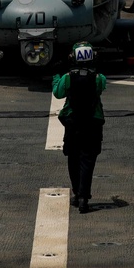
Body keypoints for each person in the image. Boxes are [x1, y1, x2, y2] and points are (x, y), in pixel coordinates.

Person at [52, 42, 107, 213]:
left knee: (73, 158)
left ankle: (77, 193)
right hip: (92, 122)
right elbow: (101, 87)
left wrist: (56, 75)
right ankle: (84, 196)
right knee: (87, 161)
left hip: (73, 122)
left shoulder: (67, 77)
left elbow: (58, 92)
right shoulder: (99, 78)